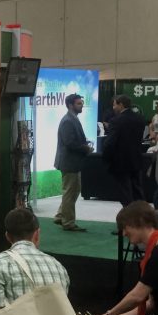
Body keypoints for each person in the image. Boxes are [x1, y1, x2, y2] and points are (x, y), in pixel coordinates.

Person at [53, 94, 92, 231]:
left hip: (73, 162)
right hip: (69, 162)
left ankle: (60, 215)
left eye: (81, 103)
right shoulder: (68, 121)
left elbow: (72, 141)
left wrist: (84, 144)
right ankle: (68, 222)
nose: (82, 106)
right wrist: (85, 148)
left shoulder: (72, 118)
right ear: (70, 105)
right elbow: (69, 143)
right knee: (70, 192)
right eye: (79, 103)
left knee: (73, 191)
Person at [103, 95, 148, 206]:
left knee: (125, 193)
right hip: (136, 160)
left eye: (114, 105)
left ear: (121, 104)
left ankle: (129, 214)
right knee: (138, 191)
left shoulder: (116, 121)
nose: (113, 108)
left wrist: (106, 158)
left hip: (120, 162)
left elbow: (110, 143)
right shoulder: (140, 119)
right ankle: (141, 213)